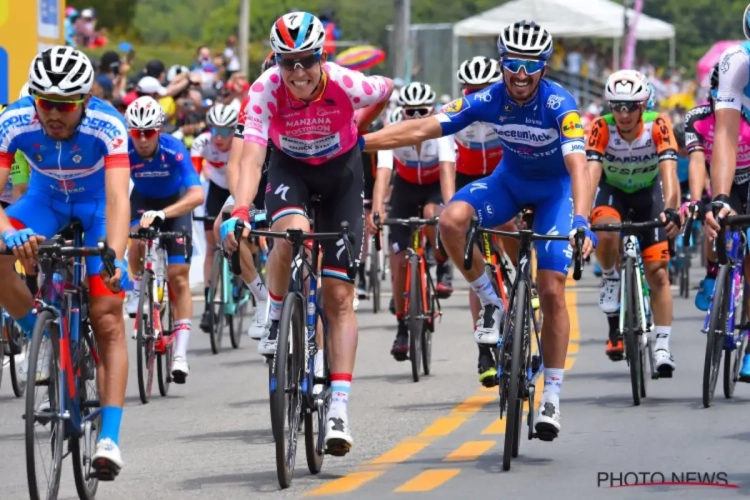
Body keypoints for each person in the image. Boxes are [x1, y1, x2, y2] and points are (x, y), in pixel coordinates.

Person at [361, 21, 595, 440]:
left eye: (530, 65)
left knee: (553, 287)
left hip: (554, 194)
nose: (520, 75)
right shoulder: (489, 97)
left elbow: (579, 166)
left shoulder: (561, 103)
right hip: (508, 181)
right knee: (451, 218)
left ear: (543, 67)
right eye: (512, 64)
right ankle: (492, 300)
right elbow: (423, 127)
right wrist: (357, 142)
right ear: (501, 64)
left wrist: (581, 221)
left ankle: (553, 397)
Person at [222, 12, 392, 454]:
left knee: (337, 296)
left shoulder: (346, 84)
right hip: (291, 170)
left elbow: (386, 88)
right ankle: (277, 317)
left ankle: (338, 407)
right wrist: (240, 208)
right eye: (287, 62)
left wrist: (360, 128)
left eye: (306, 60)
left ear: (321, 56)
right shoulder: (264, 90)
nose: (297, 72)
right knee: (290, 234)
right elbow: (251, 157)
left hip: (341, 177)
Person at [0, 46, 130, 477]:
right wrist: (9, 231)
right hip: (45, 201)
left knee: (107, 316)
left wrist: (115, 254)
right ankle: (38, 327)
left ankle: (109, 438)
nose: (53, 114)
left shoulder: (107, 122)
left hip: (95, 208)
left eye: (64, 105)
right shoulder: (14, 119)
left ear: (85, 101)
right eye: (44, 103)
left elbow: (115, 198)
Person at [586, 70, 680, 372]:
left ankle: (662, 346)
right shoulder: (601, 127)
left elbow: (668, 168)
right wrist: (581, 216)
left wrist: (671, 209)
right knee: (607, 229)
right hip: (613, 193)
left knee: (659, 274)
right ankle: (611, 275)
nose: (623, 114)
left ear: (643, 105)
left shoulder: (658, 123)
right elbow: (591, 174)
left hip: (647, 195)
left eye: (631, 106)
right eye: (617, 106)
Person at [366, 82, 455, 360]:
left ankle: (442, 263)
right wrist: (378, 210)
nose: (416, 118)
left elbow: (446, 174)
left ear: (432, 112)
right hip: (405, 188)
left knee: (433, 215)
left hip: (432, 188)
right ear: (401, 113)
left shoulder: (441, 132)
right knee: (399, 259)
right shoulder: (392, 133)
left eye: (422, 112)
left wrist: (450, 210)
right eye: (410, 112)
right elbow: (383, 175)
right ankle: (403, 326)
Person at [125, 97, 204, 383]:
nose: (143, 140)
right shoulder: (124, 150)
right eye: (137, 133)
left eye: (148, 133)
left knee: (178, 277)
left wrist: (163, 213)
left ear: (159, 131)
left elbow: (197, 195)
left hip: (174, 205)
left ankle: (180, 355)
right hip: (142, 202)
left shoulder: (173, 149)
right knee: (134, 238)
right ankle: (137, 290)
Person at [452, 56, 519, 386]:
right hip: (466, 178)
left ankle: (523, 281)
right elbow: (444, 159)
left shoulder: (508, 109)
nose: (476, 95)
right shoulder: (458, 109)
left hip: (502, 176)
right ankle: (484, 351)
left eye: (483, 89)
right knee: (475, 271)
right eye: (470, 90)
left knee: (509, 227)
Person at [684, 58, 750, 379]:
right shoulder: (697, 118)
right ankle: (714, 272)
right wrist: (700, 202)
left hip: (748, 177)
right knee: (718, 223)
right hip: (722, 177)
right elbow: (698, 163)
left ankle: (748, 333)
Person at [214, 56, 275, 344]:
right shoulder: (253, 102)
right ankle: (261, 297)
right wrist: (240, 206)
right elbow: (236, 163)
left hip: (292, 180)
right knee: (223, 226)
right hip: (256, 180)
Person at [192, 101, 241, 332]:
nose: (218, 137)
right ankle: (210, 306)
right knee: (212, 247)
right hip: (216, 190)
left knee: (243, 236)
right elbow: (192, 178)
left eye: (224, 132)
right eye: (214, 130)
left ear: (234, 131)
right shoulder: (202, 143)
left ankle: (241, 277)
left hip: (239, 187)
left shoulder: (242, 143)